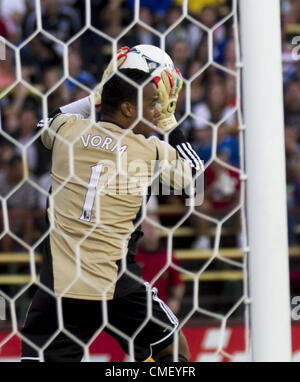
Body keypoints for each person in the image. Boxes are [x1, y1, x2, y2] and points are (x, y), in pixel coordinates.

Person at [20, 48, 203, 362]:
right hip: (117, 285)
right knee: (174, 351)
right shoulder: (148, 151)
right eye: (153, 103)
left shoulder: (67, 131)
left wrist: (95, 98)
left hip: (61, 287)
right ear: (130, 109)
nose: (158, 111)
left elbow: (44, 124)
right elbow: (195, 177)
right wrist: (172, 124)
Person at [135, 212, 185, 315]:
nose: (152, 231)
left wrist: (175, 300)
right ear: (140, 229)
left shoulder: (168, 256)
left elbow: (178, 284)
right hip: (136, 309)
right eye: (148, 227)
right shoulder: (132, 254)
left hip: (160, 311)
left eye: (155, 227)